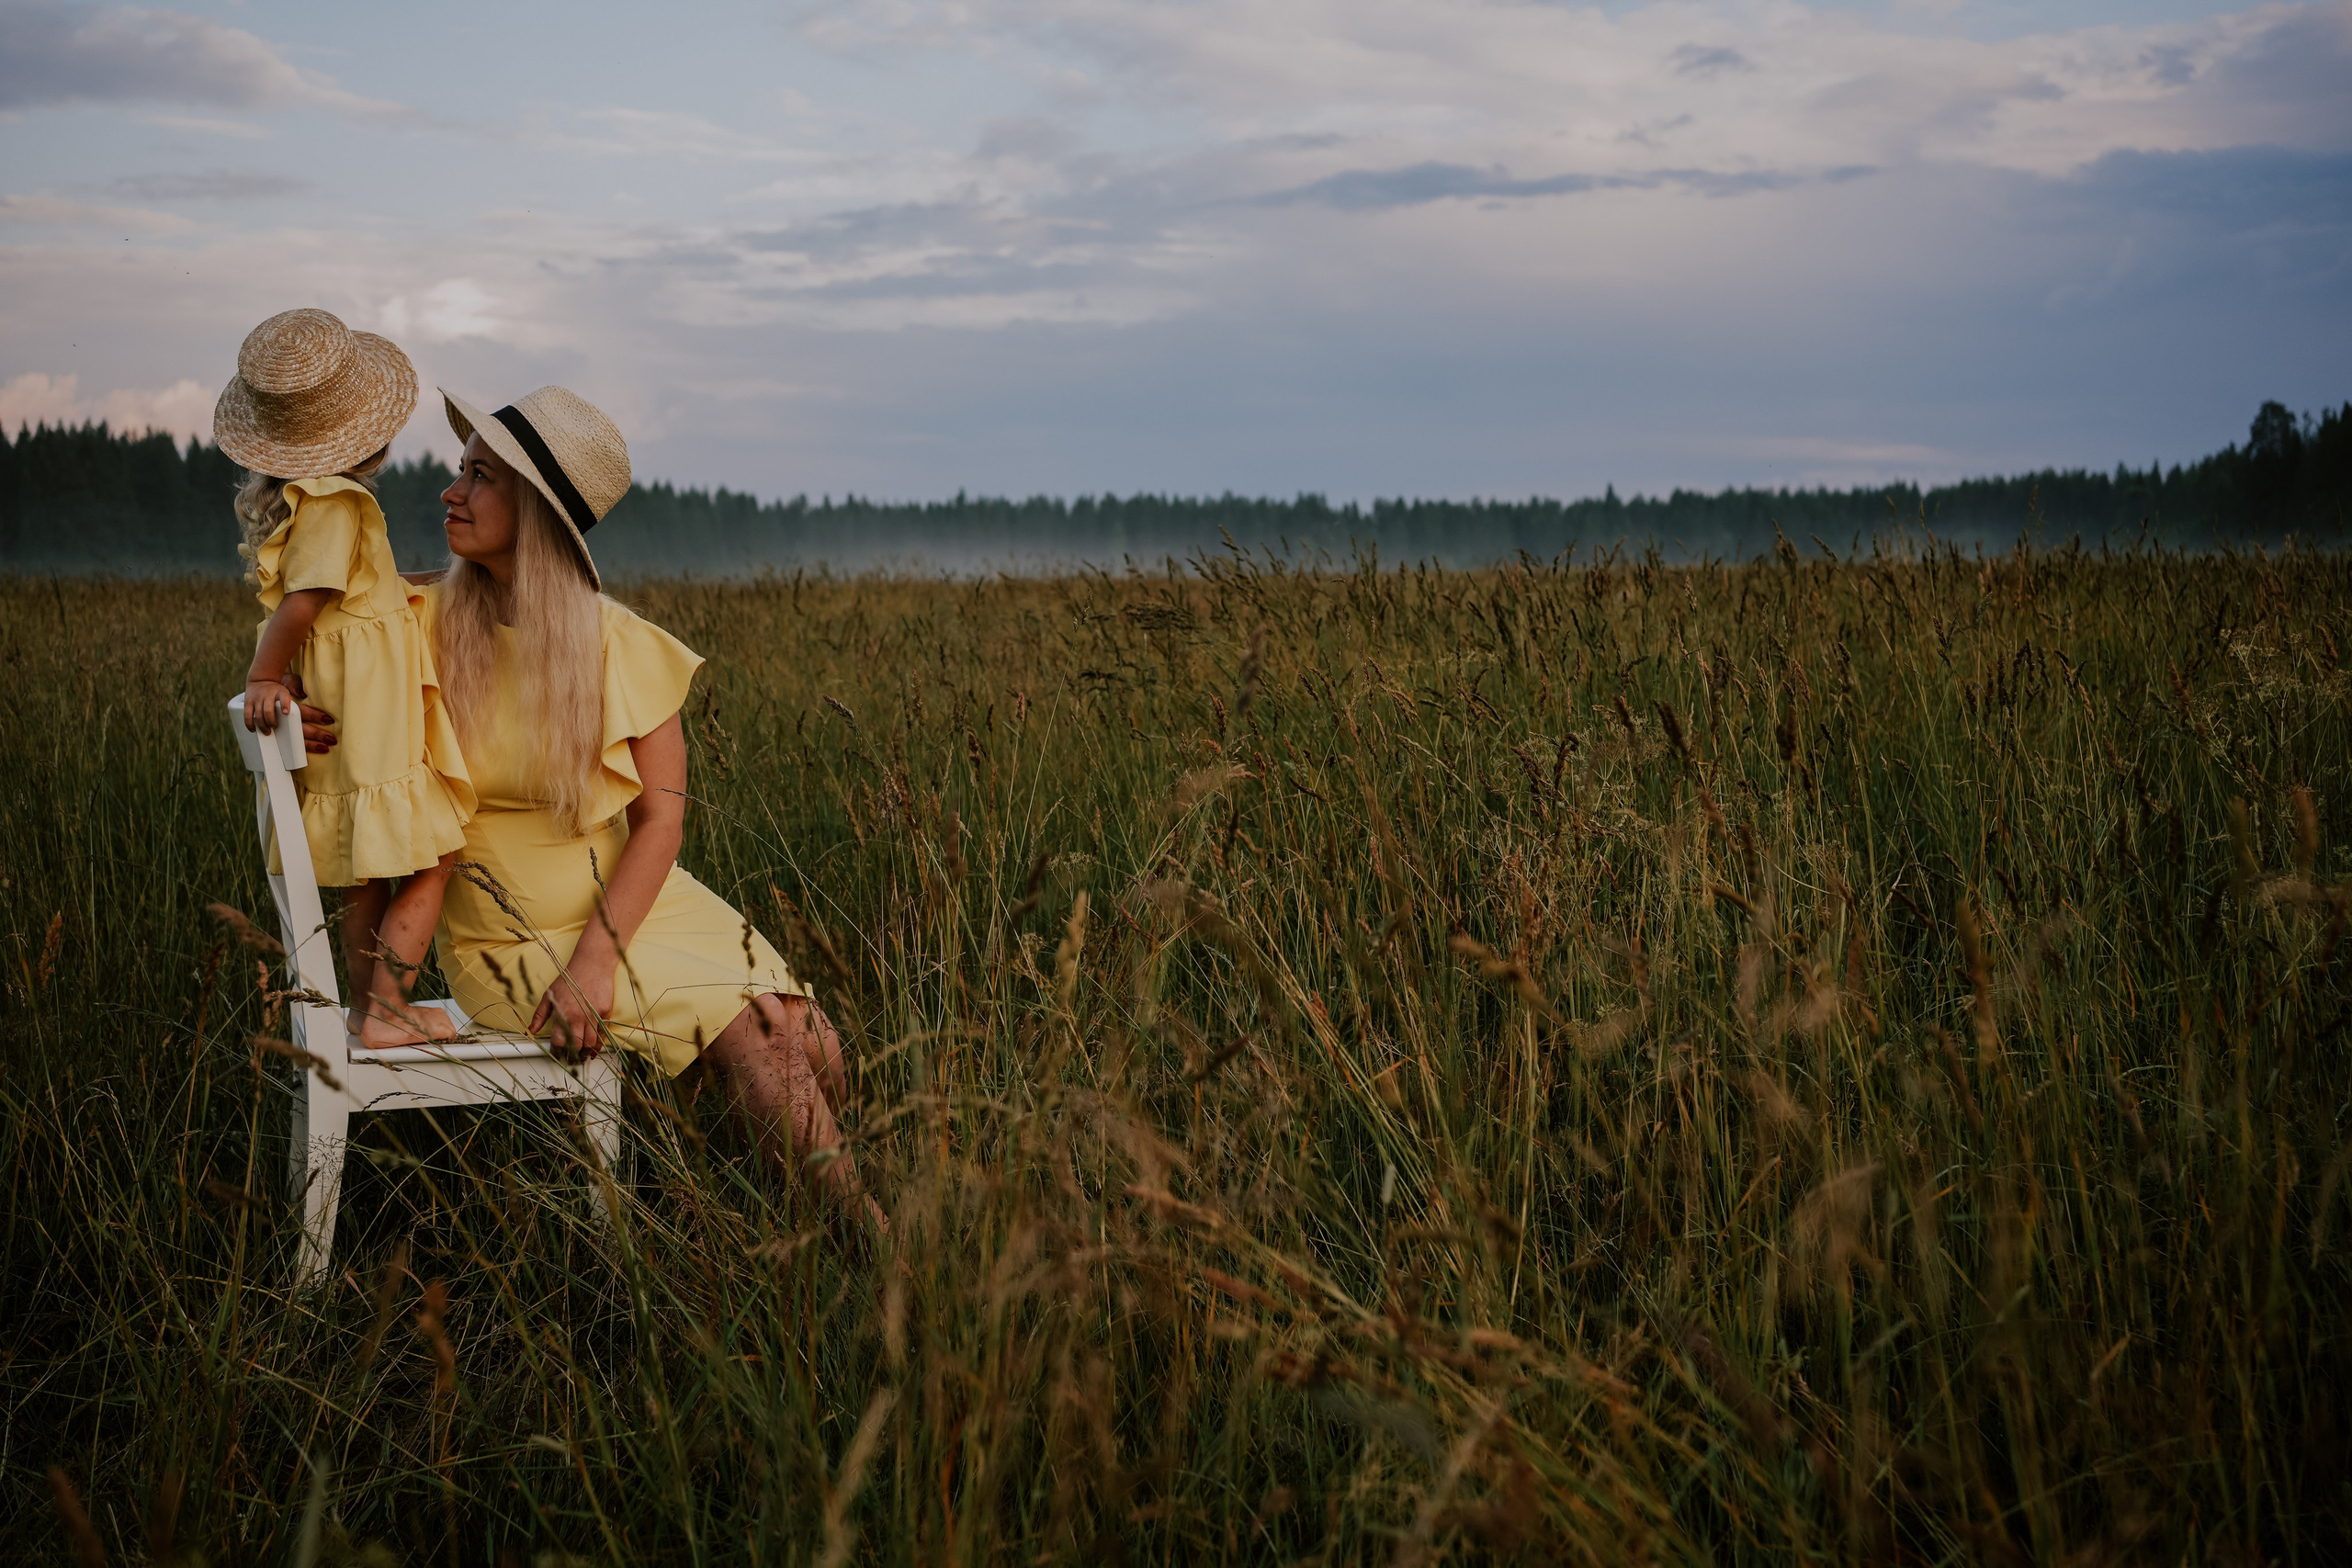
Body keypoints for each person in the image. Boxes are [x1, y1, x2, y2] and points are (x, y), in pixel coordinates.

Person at [419, 383, 871, 1216]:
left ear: (539, 514)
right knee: (760, 1039)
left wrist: (600, 961)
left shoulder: (621, 643)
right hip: (510, 931)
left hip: (635, 904)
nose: (451, 490)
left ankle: (736, 1213)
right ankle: (878, 1251)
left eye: (480, 477)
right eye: (462, 469)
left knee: (816, 1043)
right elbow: (322, 647)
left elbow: (662, 818)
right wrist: (298, 700)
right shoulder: (421, 622)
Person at [216, 308, 474, 1047]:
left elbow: (367, 594)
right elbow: (305, 602)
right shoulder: (339, 501)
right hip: (371, 715)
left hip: (358, 708)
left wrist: (446, 584)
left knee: (371, 871)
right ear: (370, 431)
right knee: (440, 847)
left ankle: (372, 1011)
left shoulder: (317, 502)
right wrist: (267, 672)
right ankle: (388, 1006)